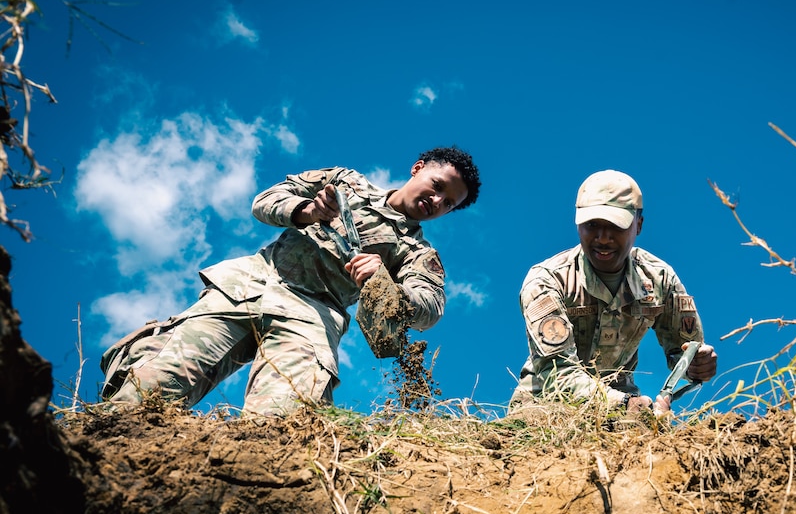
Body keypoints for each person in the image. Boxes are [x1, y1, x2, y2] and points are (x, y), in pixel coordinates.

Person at [99, 145, 481, 415]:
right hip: (248, 286)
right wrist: (307, 210)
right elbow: (266, 200)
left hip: (310, 318)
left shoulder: (416, 252)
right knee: (149, 390)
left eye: (449, 203)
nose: (437, 201)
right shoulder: (344, 181)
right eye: (438, 185)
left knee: (285, 421)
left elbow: (429, 307)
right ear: (417, 168)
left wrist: (386, 284)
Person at [508, 169, 716, 417]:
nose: (603, 238)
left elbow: (685, 349)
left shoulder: (660, 279)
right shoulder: (546, 280)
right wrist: (624, 404)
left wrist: (694, 366)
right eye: (592, 225)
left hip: (624, 410)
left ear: (638, 225)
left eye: (615, 226)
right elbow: (557, 370)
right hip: (545, 406)